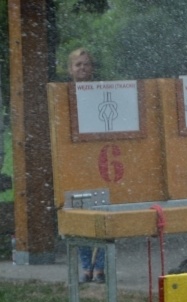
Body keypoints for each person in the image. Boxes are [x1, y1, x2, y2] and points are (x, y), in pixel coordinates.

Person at [67, 48, 105, 283]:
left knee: (102, 211)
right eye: (78, 64)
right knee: (78, 212)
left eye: (86, 64)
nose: (82, 68)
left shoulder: (101, 93)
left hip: (99, 158)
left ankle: (100, 266)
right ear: (70, 69)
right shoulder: (63, 94)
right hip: (74, 161)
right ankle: (85, 267)